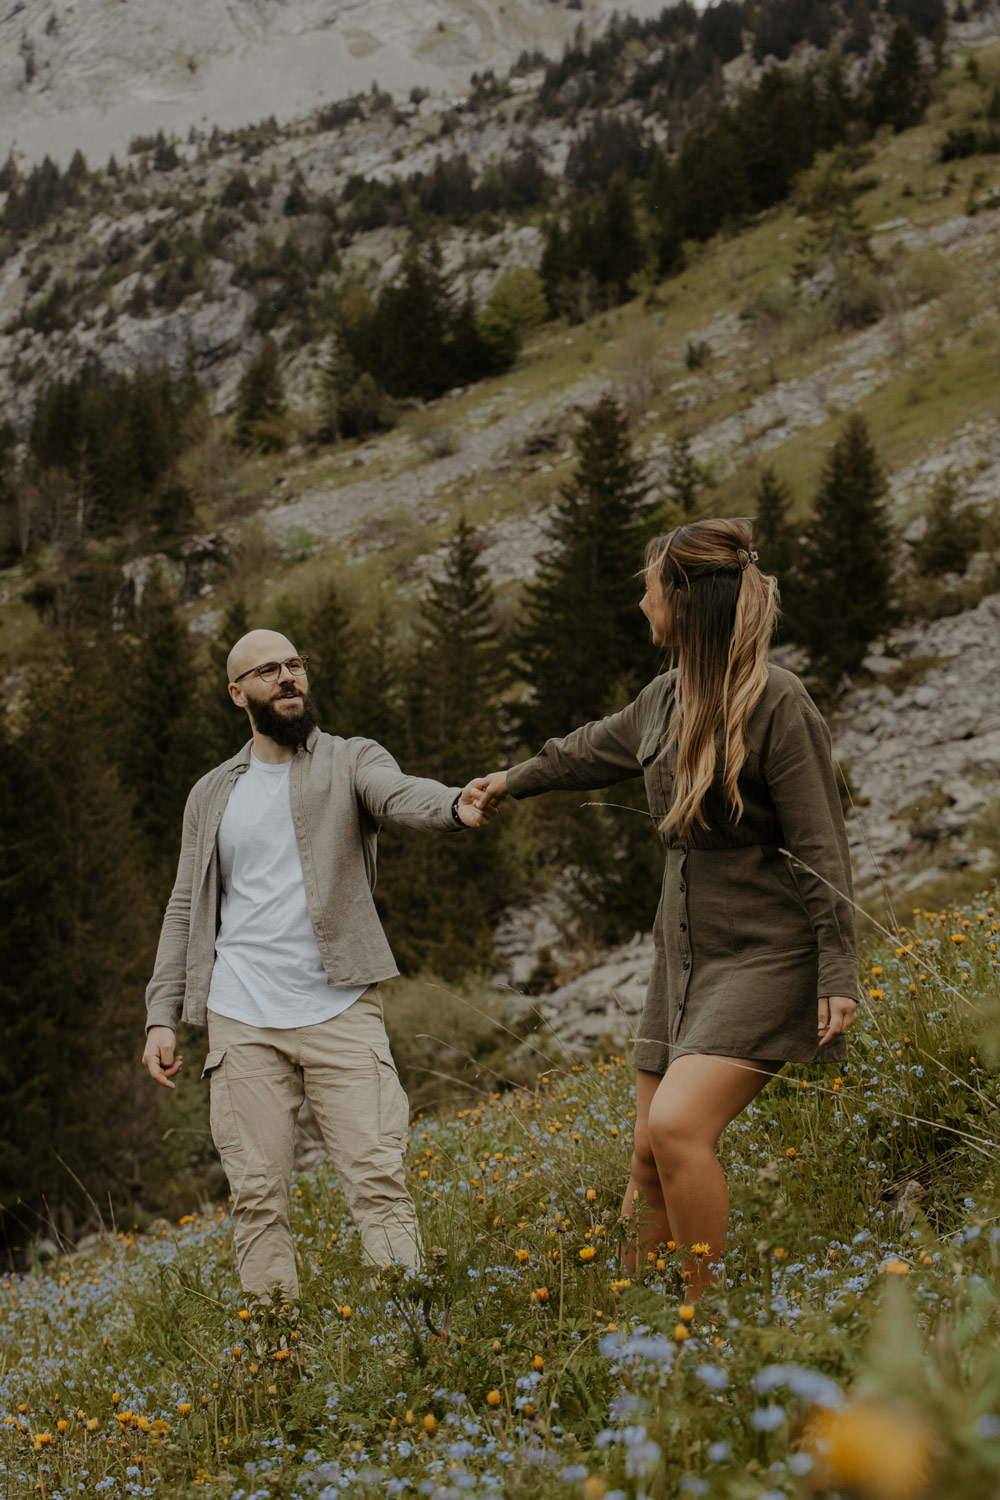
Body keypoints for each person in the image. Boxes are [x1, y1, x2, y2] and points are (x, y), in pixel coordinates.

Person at [473, 518, 858, 1297]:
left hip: (767, 951)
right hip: (681, 956)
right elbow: (584, 750)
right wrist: (507, 782)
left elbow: (822, 846)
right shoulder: (664, 697)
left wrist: (837, 967)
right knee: (648, 1158)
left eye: (650, 582)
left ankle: (708, 1325)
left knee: (679, 1129)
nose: (640, 596)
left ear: (682, 597)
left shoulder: (779, 702)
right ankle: (634, 1334)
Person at [142, 628, 498, 1300]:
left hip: (340, 1006)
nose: (287, 677)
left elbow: (397, 794)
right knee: (256, 1194)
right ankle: (277, 1352)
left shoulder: (350, 760)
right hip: (240, 1014)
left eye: (296, 665)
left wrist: (454, 804)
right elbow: (184, 908)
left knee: (377, 1179)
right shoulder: (211, 794)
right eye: (268, 670)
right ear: (237, 692)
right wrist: (160, 1017)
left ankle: (409, 1329)